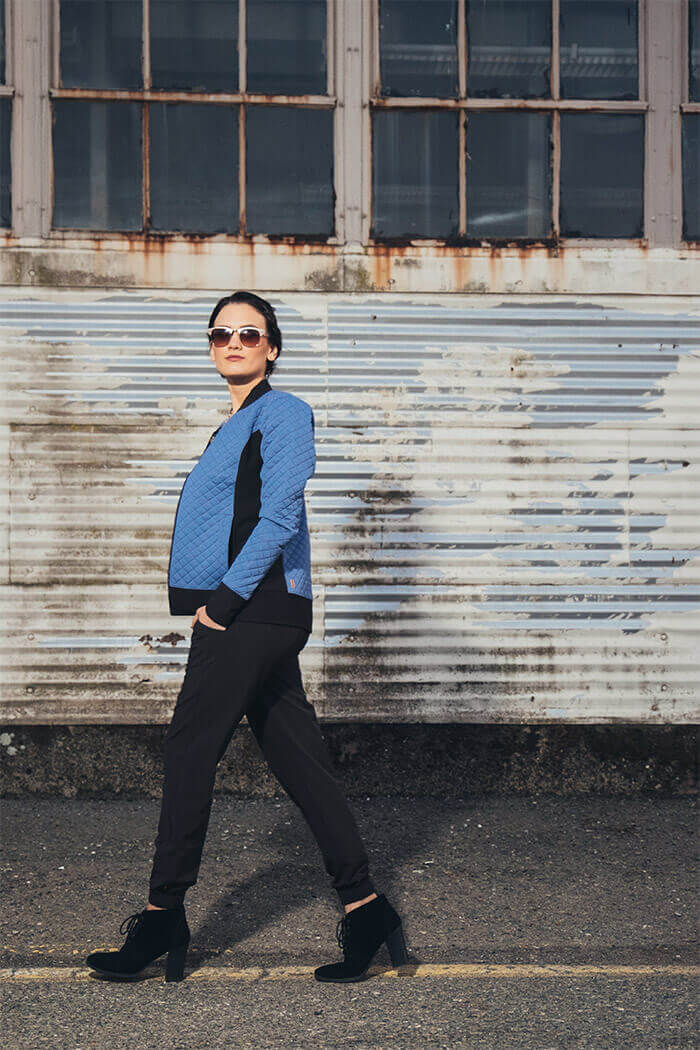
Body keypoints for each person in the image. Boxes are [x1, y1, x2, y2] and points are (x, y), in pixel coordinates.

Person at [85, 291, 409, 984]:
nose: (233, 342)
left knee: (189, 749)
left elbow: (281, 512)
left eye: (249, 333)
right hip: (256, 610)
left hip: (251, 608)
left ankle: (162, 914)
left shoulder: (282, 411)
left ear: (273, 347)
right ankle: (367, 908)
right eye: (221, 333)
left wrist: (222, 604)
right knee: (298, 758)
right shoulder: (235, 423)